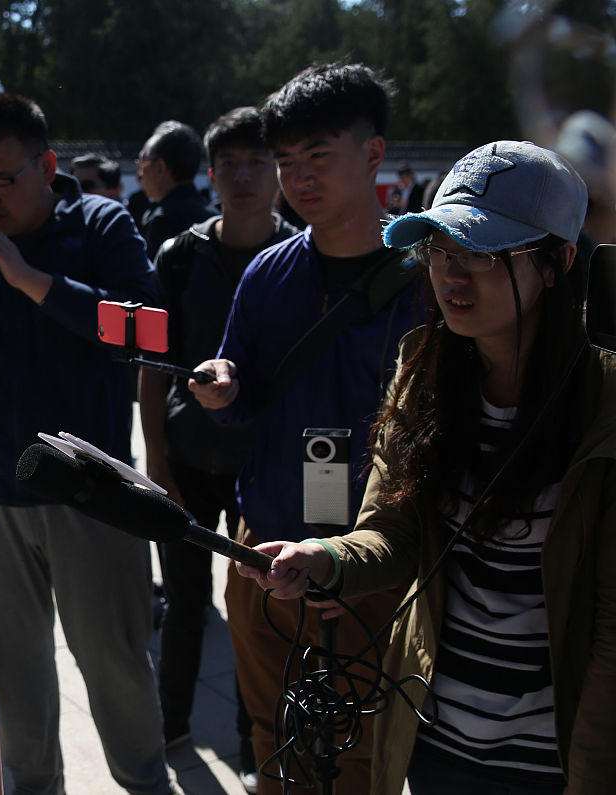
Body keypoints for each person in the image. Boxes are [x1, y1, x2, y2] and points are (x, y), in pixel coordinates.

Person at [236, 141, 607, 795]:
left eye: (484, 253)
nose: (453, 275)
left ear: (559, 262)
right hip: (435, 740)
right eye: (439, 248)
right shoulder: (423, 377)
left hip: (555, 757)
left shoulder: (604, 406)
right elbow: (394, 532)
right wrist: (326, 559)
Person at [0, 92, 176, 795]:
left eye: (3, 180)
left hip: (90, 491)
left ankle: (145, 782)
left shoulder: (101, 224)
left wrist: (28, 278)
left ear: (47, 166)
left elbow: (149, 333)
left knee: (114, 659)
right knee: (10, 667)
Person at [189, 62, 422, 795]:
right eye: (287, 161)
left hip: (375, 562)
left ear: (374, 153)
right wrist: (222, 389)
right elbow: (242, 388)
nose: (299, 178)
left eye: (318, 154)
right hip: (264, 553)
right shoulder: (267, 274)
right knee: (273, 735)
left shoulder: (430, 280)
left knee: (363, 748)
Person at [139, 106, 298, 786]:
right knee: (183, 603)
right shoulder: (180, 256)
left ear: (279, 171)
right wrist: (155, 460)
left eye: (258, 163)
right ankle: (171, 723)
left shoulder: (301, 257)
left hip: (265, 468)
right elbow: (154, 367)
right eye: (228, 164)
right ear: (209, 173)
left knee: (258, 611)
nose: (243, 177)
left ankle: (253, 744)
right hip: (188, 458)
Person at [137, 120, 214, 258]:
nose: (140, 173)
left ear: (160, 168)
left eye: (142, 162)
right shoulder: (213, 215)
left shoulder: (163, 221)